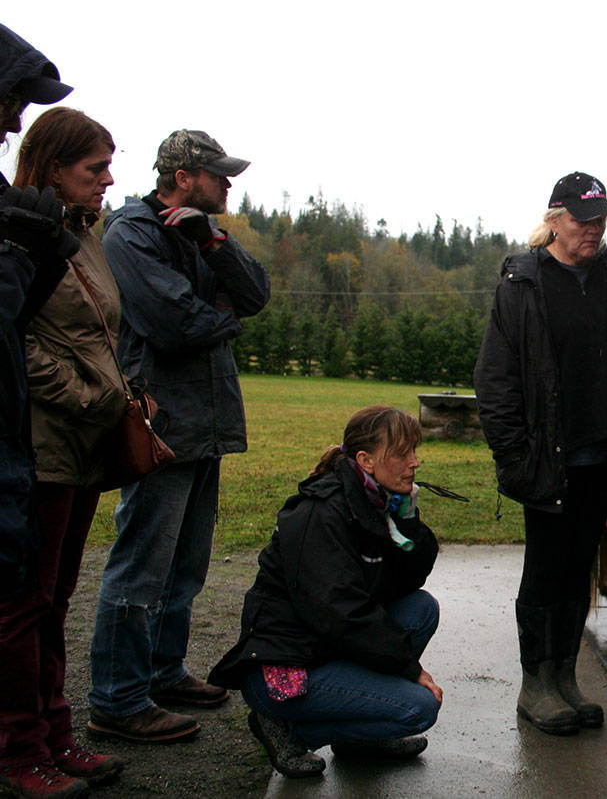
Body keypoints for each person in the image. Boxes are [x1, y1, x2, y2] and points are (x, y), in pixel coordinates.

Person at [87, 129, 270, 743]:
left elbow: (256, 295)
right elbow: (173, 323)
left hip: (204, 424)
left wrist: (214, 243)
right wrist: (224, 319)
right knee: (142, 565)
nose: (228, 183)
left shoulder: (200, 234)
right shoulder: (131, 233)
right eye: (218, 173)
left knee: (184, 566)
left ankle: (162, 671)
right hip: (158, 426)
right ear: (183, 176)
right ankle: (116, 698)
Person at [474, 172, 607, 735]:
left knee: (578, 570)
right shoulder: (522, 287)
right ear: (554, 219)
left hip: (601, 461)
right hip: (547, 463)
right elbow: (496, 380)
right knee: (545, 573)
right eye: (583, 219)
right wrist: (514, 457)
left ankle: (565, 677)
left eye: (601, 220)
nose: (593, 230)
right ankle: (536, 685)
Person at [0, 108, 130, 796]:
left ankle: (55, 734)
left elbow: (100, 335)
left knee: (55, 601)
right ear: (52, 168)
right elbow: (13, 339)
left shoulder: (84, 239)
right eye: (95, 169)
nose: (109, 180)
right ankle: (20, 751)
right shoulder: (20, 236)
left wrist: (121, 393)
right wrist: (86, 396)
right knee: (24, 605)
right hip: (42, 447)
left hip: (86, 449)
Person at [209, 406, 442, 779]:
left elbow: (404, 583)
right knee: (417, 708)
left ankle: (358, 738)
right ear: (365, 460)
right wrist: (408, 668)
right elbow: (341, 610)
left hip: (323, 645)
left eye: (414, 451)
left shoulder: (374, 501)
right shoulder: (322, 512)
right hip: (288, 664)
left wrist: (408, 520)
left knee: (421, 609)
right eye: (402, 453)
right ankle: (286, 727)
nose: (414, 463)